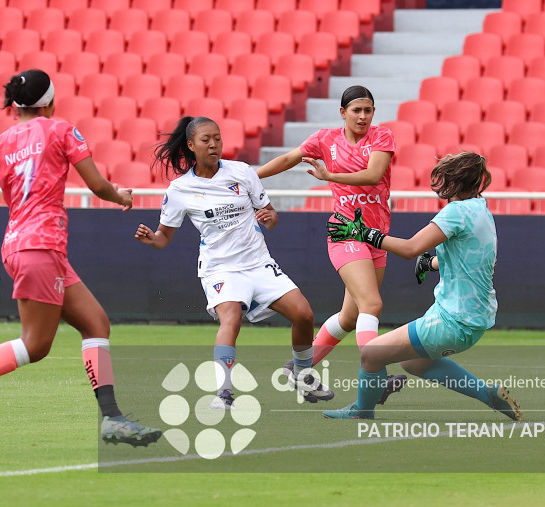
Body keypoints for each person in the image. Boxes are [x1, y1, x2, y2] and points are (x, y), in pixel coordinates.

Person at [0, 69, 162, 446]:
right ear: (50, 102)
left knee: (96, 323)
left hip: (21, 245)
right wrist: (120, 196)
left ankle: (112, 419)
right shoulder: (62, 130)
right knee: (35, 345)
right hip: (41, 246)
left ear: (15, 106)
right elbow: (97, 185)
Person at [134, 116, 333, 408]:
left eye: (217, 138)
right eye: (206, 140)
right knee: (231, 318)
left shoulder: (242, 172)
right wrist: (152, 238)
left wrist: (269, 218)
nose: (213, 144)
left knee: (304, 315)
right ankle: (223, 395)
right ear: (191, 145)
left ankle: (302, 375)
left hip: (258, 262)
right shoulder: (179, 189)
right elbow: (164, 237)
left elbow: (271, 216)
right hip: (220, 268)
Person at [321, 152, 522, 421]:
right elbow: (467, 259)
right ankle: (489, 395)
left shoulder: (456, 212)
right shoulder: (481, 211)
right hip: (474, 319)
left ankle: (362, 410)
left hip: (453, 320)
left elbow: (410, 248)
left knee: (371, 354)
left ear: (454, 182)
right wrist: (431, 264)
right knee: (413, 362)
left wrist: (363, 233)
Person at [256, 85, 406, 403]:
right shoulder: (325, 139)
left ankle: (298, 369)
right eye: (356, 110)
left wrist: (330, 177)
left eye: (368, 110)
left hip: (376, 236)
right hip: (345, 232)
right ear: (343, 113)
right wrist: (250, 178)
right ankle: (376, 377)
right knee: (372, 305)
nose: (363, 116)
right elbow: (289, 158)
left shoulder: (382, 137)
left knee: (351, 317)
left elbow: (373, 175)